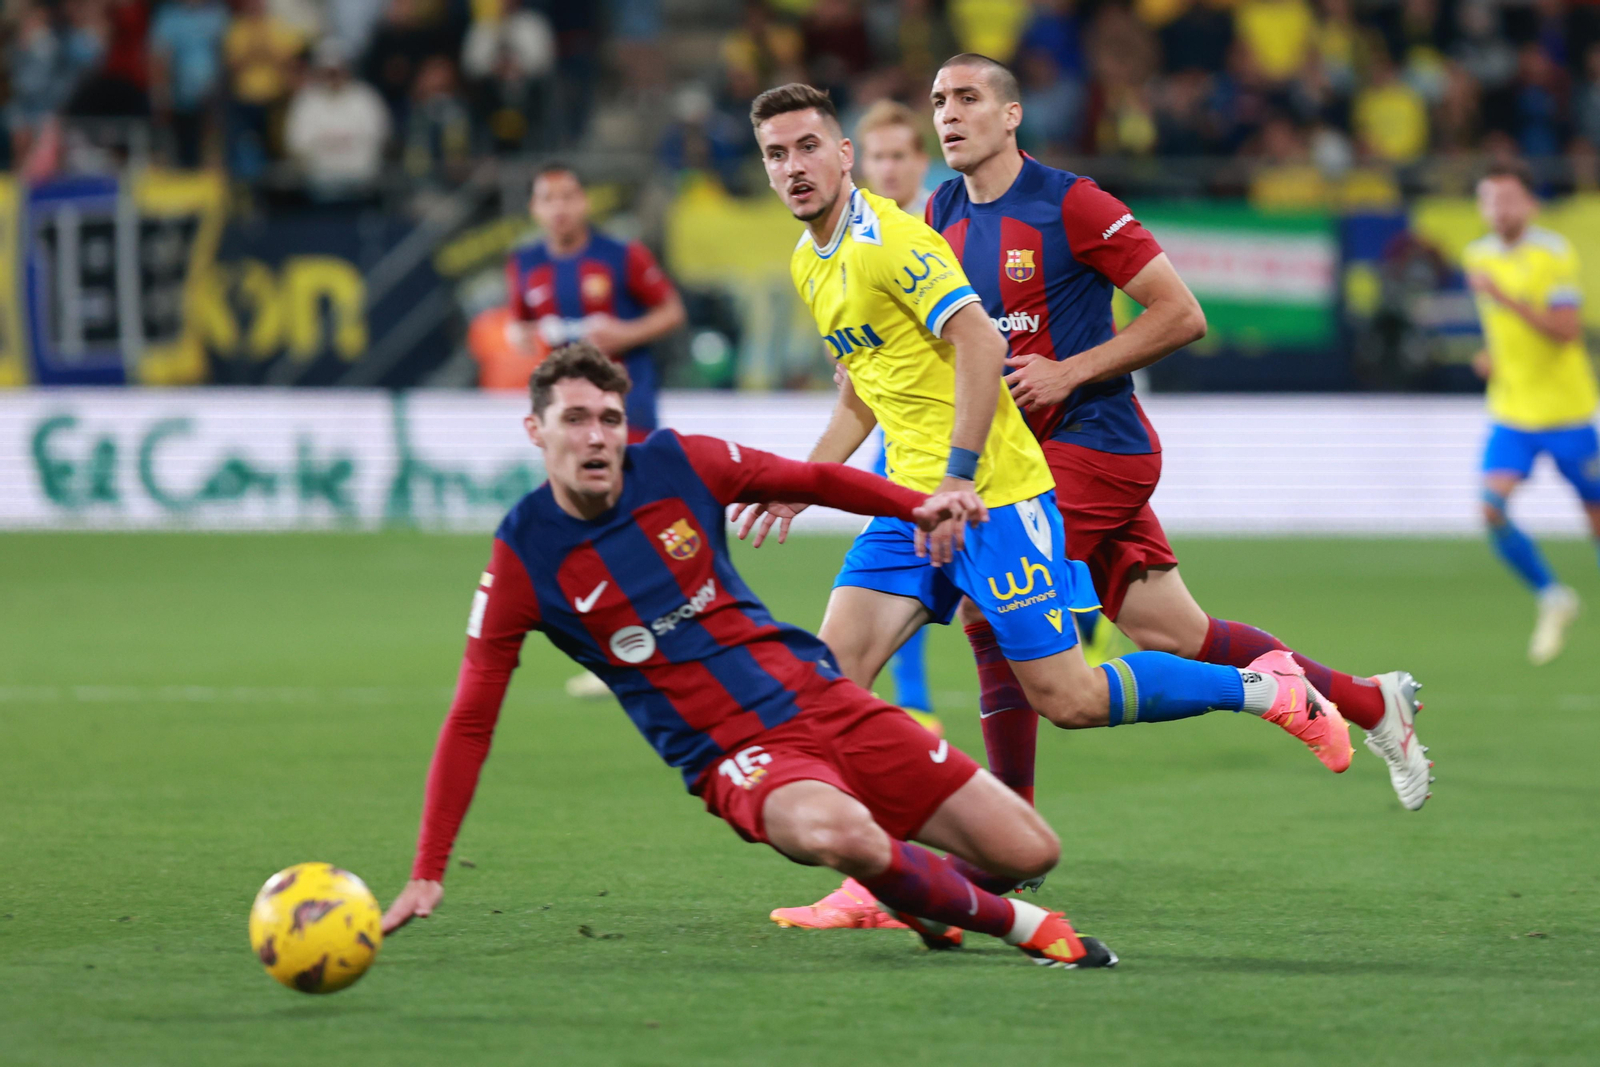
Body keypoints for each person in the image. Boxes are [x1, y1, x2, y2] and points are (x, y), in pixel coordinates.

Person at [738, 83, 1349, 929]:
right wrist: (800, 481)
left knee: (1070, 699)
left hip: (992, 496)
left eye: (809, 147)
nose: (794, 167)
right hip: (910, 506)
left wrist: (957, 474)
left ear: (844, 155)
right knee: (827, 686)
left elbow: (984, 340)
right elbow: (865, 394)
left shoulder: (891, 242)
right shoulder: (815, 260)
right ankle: (890, 878)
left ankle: (1261, 690)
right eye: (777, 154)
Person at [380, 342, 1118, 970]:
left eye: (609, 418)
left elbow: (812, 480)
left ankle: (924, 901)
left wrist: (913, 503)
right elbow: (472, 716)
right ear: (535, 430)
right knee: (841, 833)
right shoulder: (524, 556)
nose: (597, 436)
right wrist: (427, 870)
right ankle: (1023, 929)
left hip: (817, 695)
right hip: (738, 757)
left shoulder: (677, 463)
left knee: (1028, 848)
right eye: (575, 419)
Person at [895, 55, 1433, 842]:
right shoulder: (939, 212)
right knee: (1177, 634)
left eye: (968, 98)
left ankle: (1009, 839)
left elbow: (1181, 313)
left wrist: (1068, 371)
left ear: (1011, 115)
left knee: (987, 602)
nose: (948, 113)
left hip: (1092, 447)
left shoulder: (1072, 203)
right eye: (939, 99)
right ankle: (1368, 699)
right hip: (1026, 460)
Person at [507, 163, 688, 700]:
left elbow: (672, 310)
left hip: (628, 411)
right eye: (548, 198)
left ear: (584, 202)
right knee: (595, 530)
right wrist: (520, 334)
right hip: (567, 421)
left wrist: (625, 332)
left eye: (568, 196)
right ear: (535, 209)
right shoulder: (525, 264)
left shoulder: (621, 255)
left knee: (632, 523)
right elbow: (518, 322)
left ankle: (650, 642)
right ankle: (630, 649)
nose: (560, 207)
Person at [1465, 161, 1600, 665]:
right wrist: (1494, 357)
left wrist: (1504, 297)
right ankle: (1553, 596)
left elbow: (1566, 329)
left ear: (1530, 205)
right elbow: (1505, 333)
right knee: (1490, 508)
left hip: (1567, 411)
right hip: (1513, 411)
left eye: (1508, 200)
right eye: (1489, 201)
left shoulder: (1553, 254)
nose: (1498, 211)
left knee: (1596, 520)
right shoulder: (1476, 254)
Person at [855, 100, 936, 738]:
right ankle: (913, 700)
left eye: (898, 156)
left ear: (921, 162)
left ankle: (1082, 609)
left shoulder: (942, 225)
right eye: (876, 156)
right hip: (894, 423)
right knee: (907, 549)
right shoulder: (855, 237)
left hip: (957, 429)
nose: (886, 168)